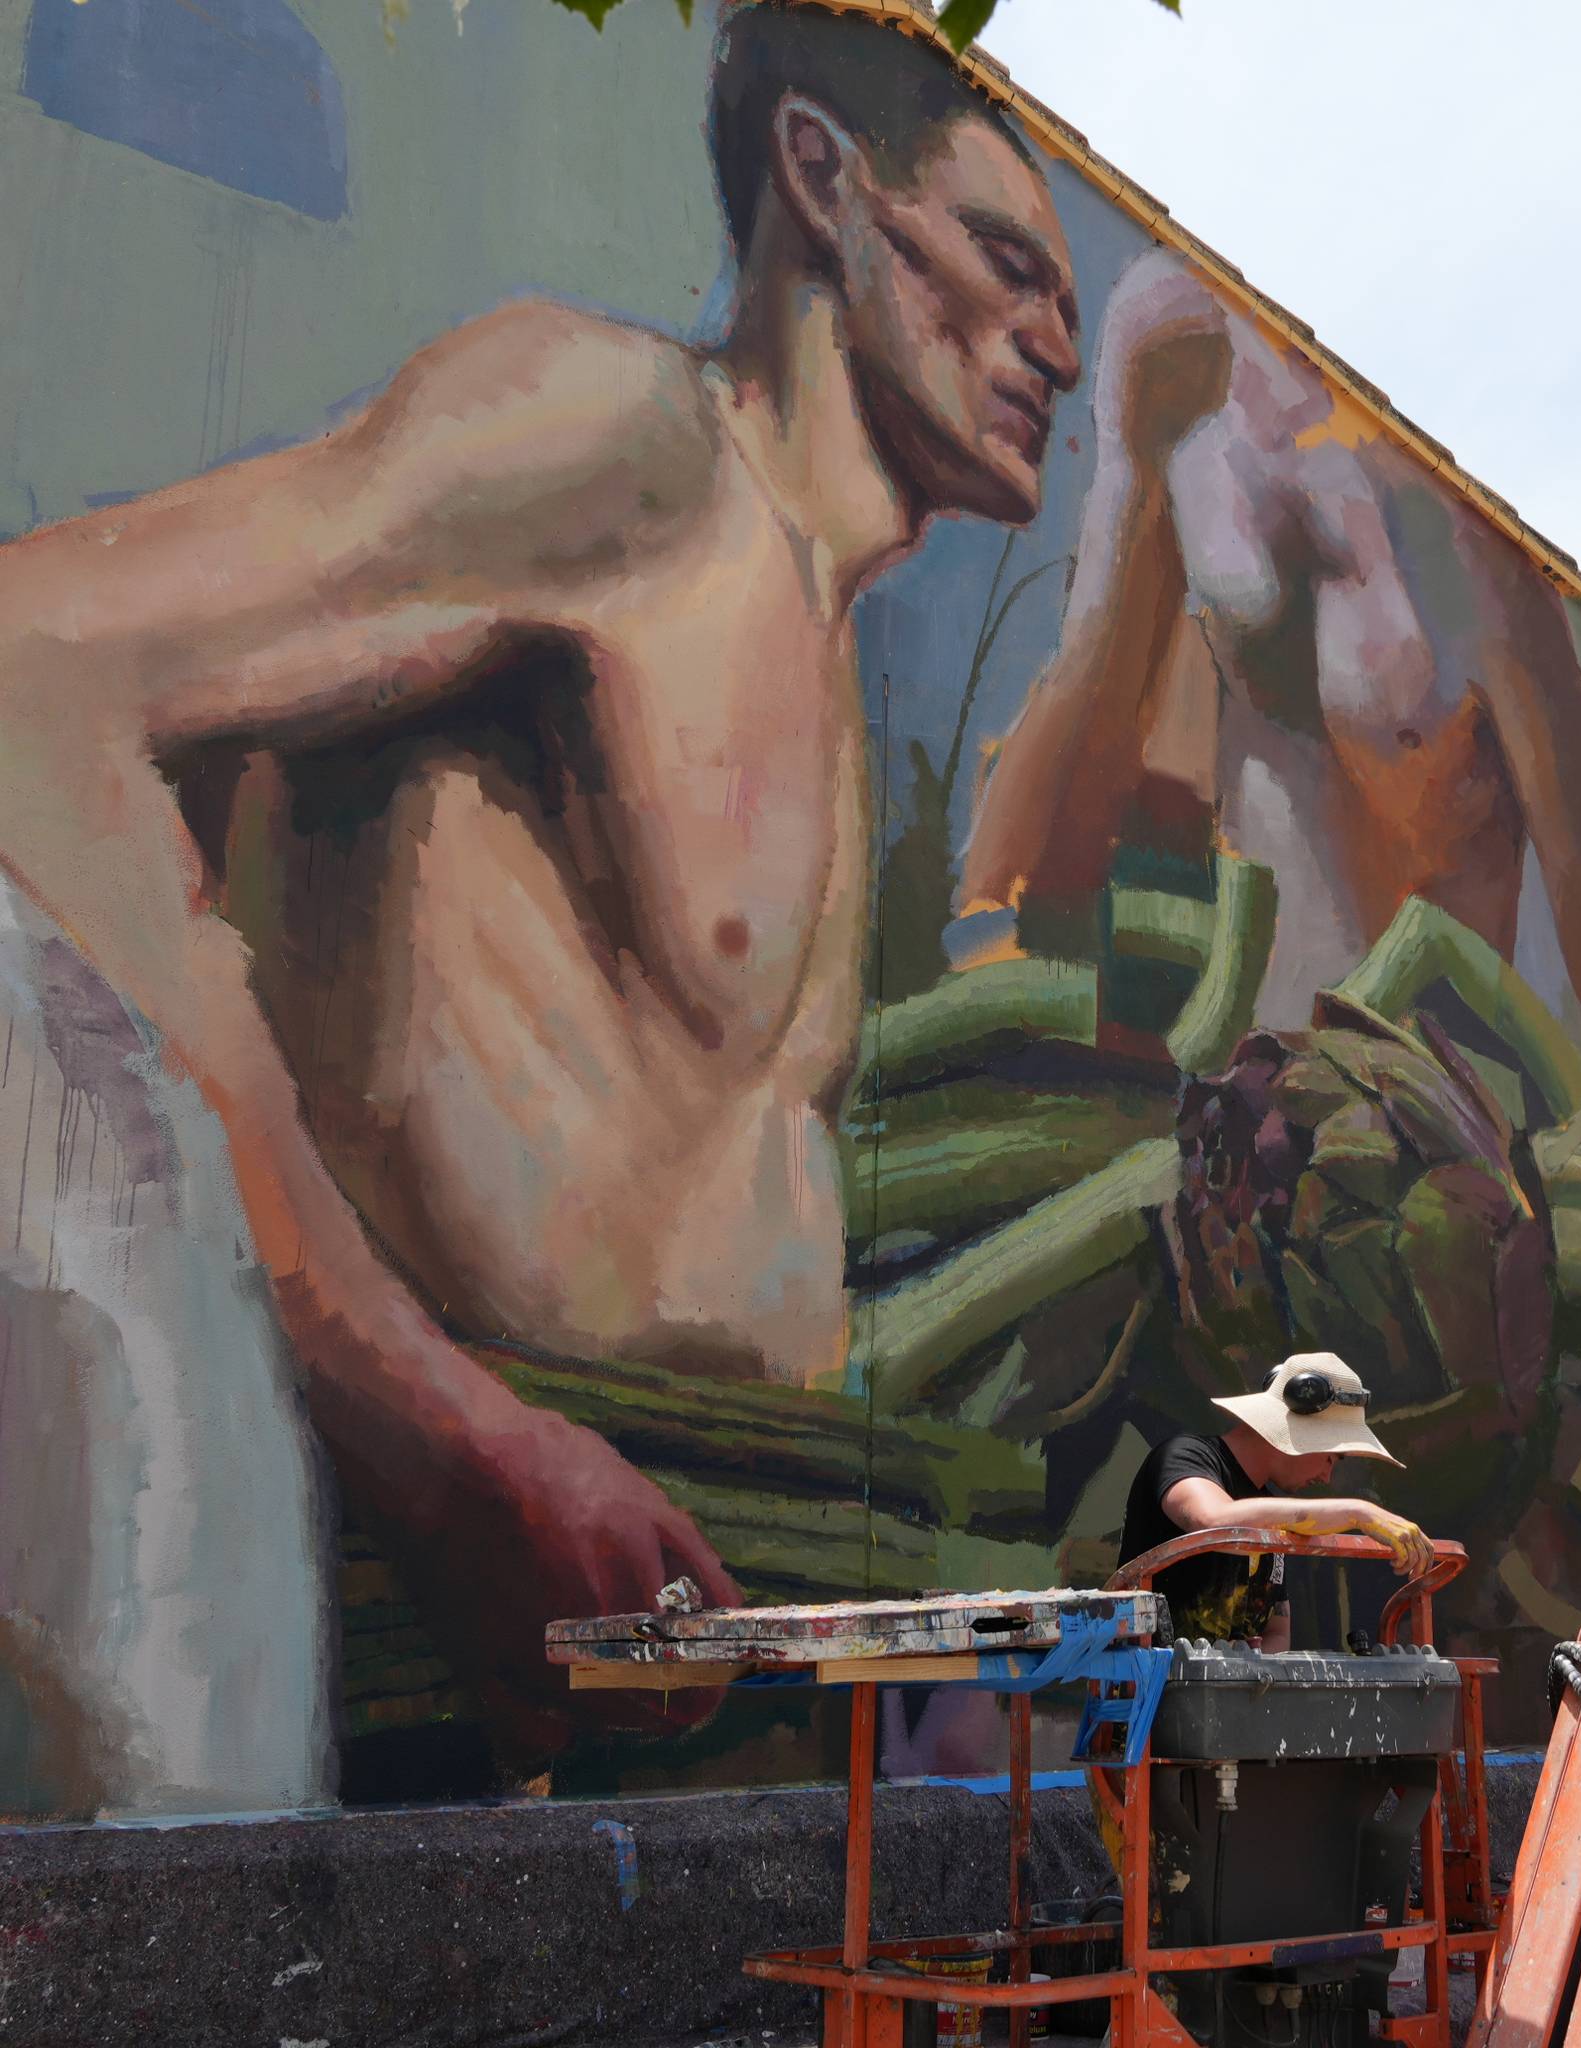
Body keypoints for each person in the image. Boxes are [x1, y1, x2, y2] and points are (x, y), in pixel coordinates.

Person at [0, 2, 1080, 1798]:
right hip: (400, 1591)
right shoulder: (627, 446)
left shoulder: (819, 637)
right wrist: (434, 1421)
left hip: (629, 1656)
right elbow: (32, 678)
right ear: (817, 177)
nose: (1057, 334)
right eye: (1002, 260)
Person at [959, 249, 1581, 1061]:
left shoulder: (1457, 470)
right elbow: (1061, 765)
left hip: (1448, 1100)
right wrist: (1141, 472)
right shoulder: (1170, 332)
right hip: (1262, 1095)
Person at [1118, 1352, 1433, 1649]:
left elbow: (1278, 1633)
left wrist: (1243, 1683)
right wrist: (1358, 1513)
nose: (1327, 1477)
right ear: (1302, 1429)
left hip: (1225, 1700)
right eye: (1332, 1458)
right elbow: (1212, 1521)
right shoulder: (1184, 1456)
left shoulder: (1268, 1509)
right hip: (1146, 1696)